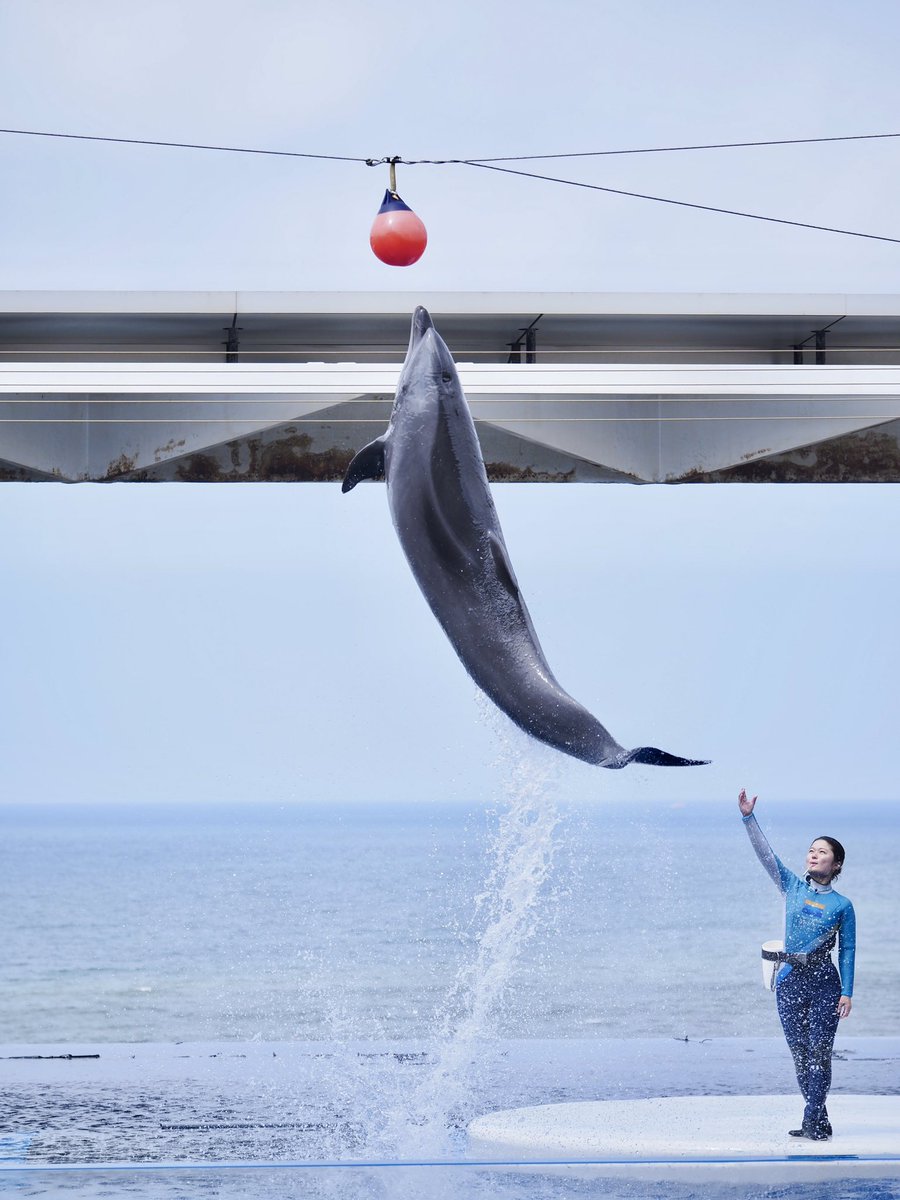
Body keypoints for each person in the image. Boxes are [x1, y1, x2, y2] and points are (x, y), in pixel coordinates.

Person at [738, 788, 855, 1141]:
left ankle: (811, 1120)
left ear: (835, 865)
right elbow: (765, 855)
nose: (813, 854)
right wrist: (748, 817)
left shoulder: (842, 905)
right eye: (811, 849)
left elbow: (848, 949)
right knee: (801, 1056)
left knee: (820, 1053)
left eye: (822, 852)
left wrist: (847, 992)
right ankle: (819, 1115)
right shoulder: (791, 886)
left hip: (824, 982)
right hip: (789, 979)